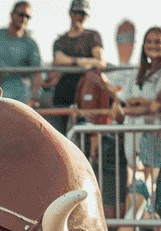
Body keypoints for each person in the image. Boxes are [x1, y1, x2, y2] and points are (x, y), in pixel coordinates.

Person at [113, 27, 161, 231]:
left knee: (152, 192)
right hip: (137, 140)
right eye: (149, 41)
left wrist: (136, 105)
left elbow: (158, 106)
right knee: (142, 189)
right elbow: (121, 104)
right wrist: (133, 105)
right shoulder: (138, 72)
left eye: (158, 41)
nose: (153, 46)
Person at [50, 0, 106, 134]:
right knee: (58, 133)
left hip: (87, 90)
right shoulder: (60, 40)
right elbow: (58, 60)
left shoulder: (93, 36)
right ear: (70, 13)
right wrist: (85, 62)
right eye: (77, 12)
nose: (79, 16)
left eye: (83, 13)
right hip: (64, 89)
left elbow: (100, 62)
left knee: (86, 131)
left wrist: (72, 61)